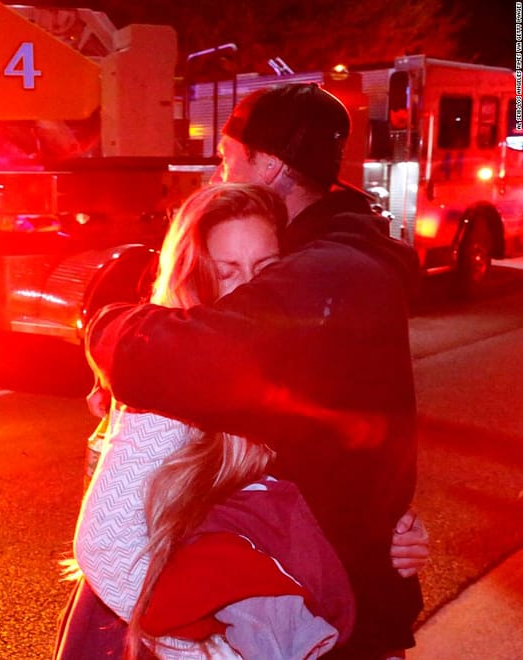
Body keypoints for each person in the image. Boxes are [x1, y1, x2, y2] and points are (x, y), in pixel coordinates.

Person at [83, 83, 426, 659]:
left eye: (227, 158)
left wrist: (104, 325)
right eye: (228, 269)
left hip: (330, 619)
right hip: (311, 614)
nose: (220, 175)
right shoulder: (343, 260)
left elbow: (176, 361)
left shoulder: (326, 274)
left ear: (264, 166)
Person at [57, 183, 356, 659]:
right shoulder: (173, 370)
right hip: (160, 629)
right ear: (197, 276)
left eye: (266, 268)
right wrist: (201, 653)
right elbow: (106, 545)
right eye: (228, 271)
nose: (251, 287)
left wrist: (392, 528)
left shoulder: (273, 357)